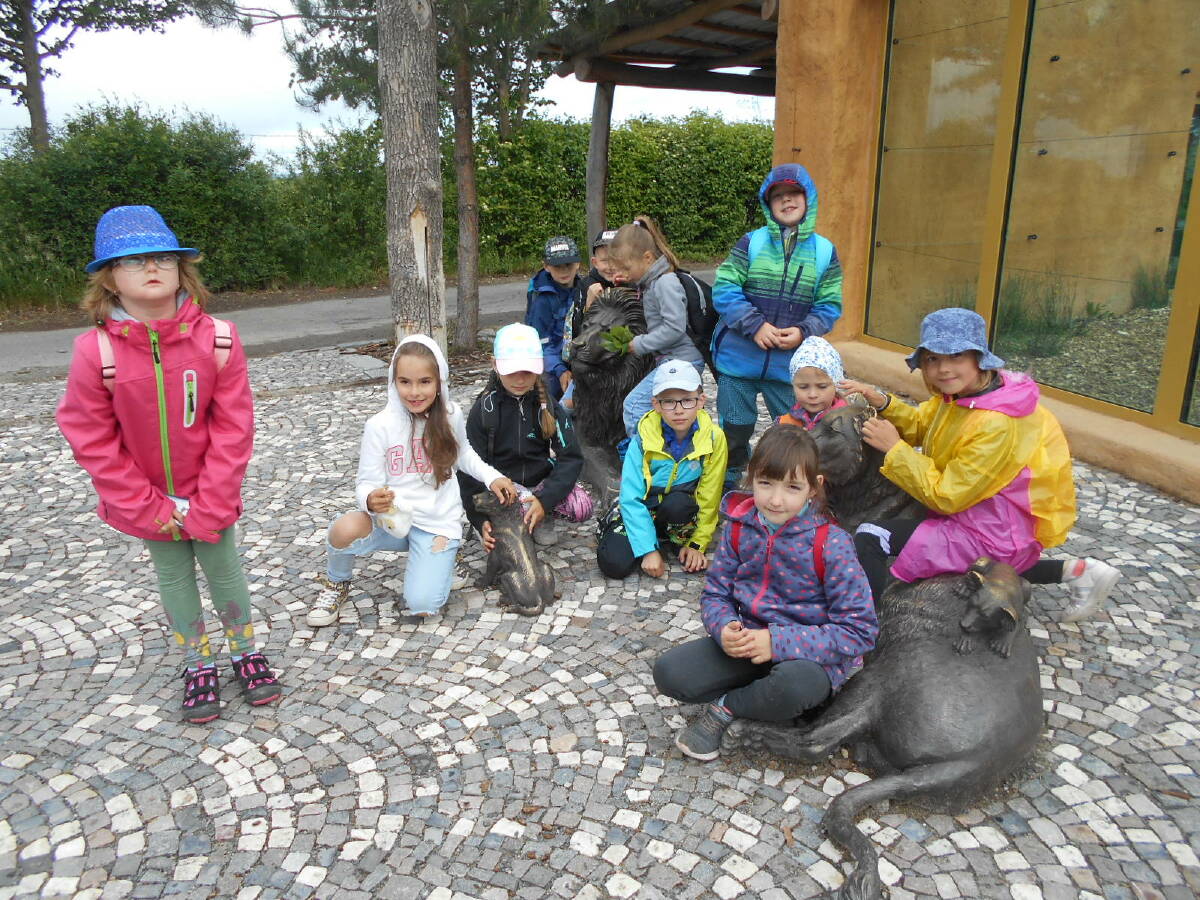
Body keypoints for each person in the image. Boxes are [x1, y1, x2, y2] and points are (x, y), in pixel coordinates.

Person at [56, 205, 281, 725]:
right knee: (175, 577)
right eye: (133, 261)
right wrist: (146, 504)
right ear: (109, 278)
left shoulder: (218, 337)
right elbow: (91, 436)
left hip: (209, 491)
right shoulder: (95, 352)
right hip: (149, 498)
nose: (151, 267)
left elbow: (234, 424)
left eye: (162, 257)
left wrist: (214, 497)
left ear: (182, 269)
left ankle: (244, 650)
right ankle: (197, 661)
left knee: (224, 570)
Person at [840, 307, 1121, 622]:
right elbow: (924, 425)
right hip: (987, 513)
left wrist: (894, 450)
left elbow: (948, 496)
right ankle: (1078, 571)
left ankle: (864, 624)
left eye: (956, 356)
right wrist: (884, 403)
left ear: (979, 358)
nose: (943, 369)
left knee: (872, 534)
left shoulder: (996, 422)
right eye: (932, 358)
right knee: (958, 549)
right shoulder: (965, 397)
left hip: (987, 527)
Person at [653, 425, 877, 761]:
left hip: (806, 659)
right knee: (670, 673)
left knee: (796, 686)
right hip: (748, 644)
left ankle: (728, 707)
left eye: (792, 487)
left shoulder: (831, 544)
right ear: (751, 477)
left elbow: (860, 631)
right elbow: (716, 594)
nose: (775, 499)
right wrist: (724, 627)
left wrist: (776, 642)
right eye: (766, 483)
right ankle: (760, 693)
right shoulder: (739, 528)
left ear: (814, 487)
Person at [308, 336, 517, 627]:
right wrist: (369, 499)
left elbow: (464, 454)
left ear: (439, 382)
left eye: (425, 382)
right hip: (393, 521)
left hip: (436, 522)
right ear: (393, 382)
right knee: (343, 529)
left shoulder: (451, 415)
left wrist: (492, 476)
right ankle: (336, 583)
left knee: (423, 605)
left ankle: (444, 558)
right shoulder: (379, 426)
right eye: (405, 382)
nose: (415, 392)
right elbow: (366, 481)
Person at [711, 163, 844, 487]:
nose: (786, 200)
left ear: (808, 199)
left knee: (793, 430)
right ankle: (728, 481)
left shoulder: (825, 252)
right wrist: (754, 325)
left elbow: (829, 305)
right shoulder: (751, 243)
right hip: (738, 359)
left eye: (794, 193)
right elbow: (724, 288)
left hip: (789, 366)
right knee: (734, 427)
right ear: (767, 204)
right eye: (778, 196)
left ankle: (790, 485)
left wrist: (803, 331)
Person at [458, 323, 590, 551]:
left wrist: (545, 500)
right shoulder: (484, 410)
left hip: (539, 484)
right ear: (495, 364)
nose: (520, 379)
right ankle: (510, 517)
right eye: (512, 371)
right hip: (504, 487)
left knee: (582, 506)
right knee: (507, 543)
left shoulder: (548, 406)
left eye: (527, 371)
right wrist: (478, 519)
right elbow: (468, 469)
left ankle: (541, 515)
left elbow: (571, 457)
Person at [596, 359, 727, 579]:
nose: (678, 410)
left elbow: (710, 495)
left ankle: (674, 537)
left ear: (701, 401)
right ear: (656, 404)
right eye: (669, 402)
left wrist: (697, 544)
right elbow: (631, 497)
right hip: (645, 507)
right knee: (613, 563)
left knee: (679, 504)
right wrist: (647, 550)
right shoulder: (642, 439)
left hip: (679, 511)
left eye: (687, 400)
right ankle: (638, 531)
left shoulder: (714, 438)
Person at [606, 216, 706, 436]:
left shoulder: (665, 283)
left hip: (682, 361)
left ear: (647, 258)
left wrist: (639, 344)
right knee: (667, 414)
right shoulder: (652, 282)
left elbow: (674, 328)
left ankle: (640, 455)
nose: (624, 273)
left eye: (626, 267)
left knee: (634, 407)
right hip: (674, 359)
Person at [561, 229, 620, 410]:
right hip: (591, 363)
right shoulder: (586, 286)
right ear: (594, 262)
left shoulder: (632, 283)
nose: (611, 266)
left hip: (623, 363)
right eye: (605, 260)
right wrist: (589, 306)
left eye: (616, 259)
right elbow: (576, 334)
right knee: (565, 407)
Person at [525, 235, 582, 402]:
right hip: (550, 364)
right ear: (546, 266)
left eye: (568, 265)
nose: (564, 271)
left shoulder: (584, 289)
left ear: (578, 264)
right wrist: (560, 370)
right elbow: (540, 343)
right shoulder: (542, 299)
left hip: (579, 359)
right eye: (557, 266)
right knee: (548, 389)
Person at [777, 336, 848, 429]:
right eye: (803, 387)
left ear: (836, 385)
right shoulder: (786, 424)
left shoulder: (848, 422)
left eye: (822, 386)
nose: (812, 395)